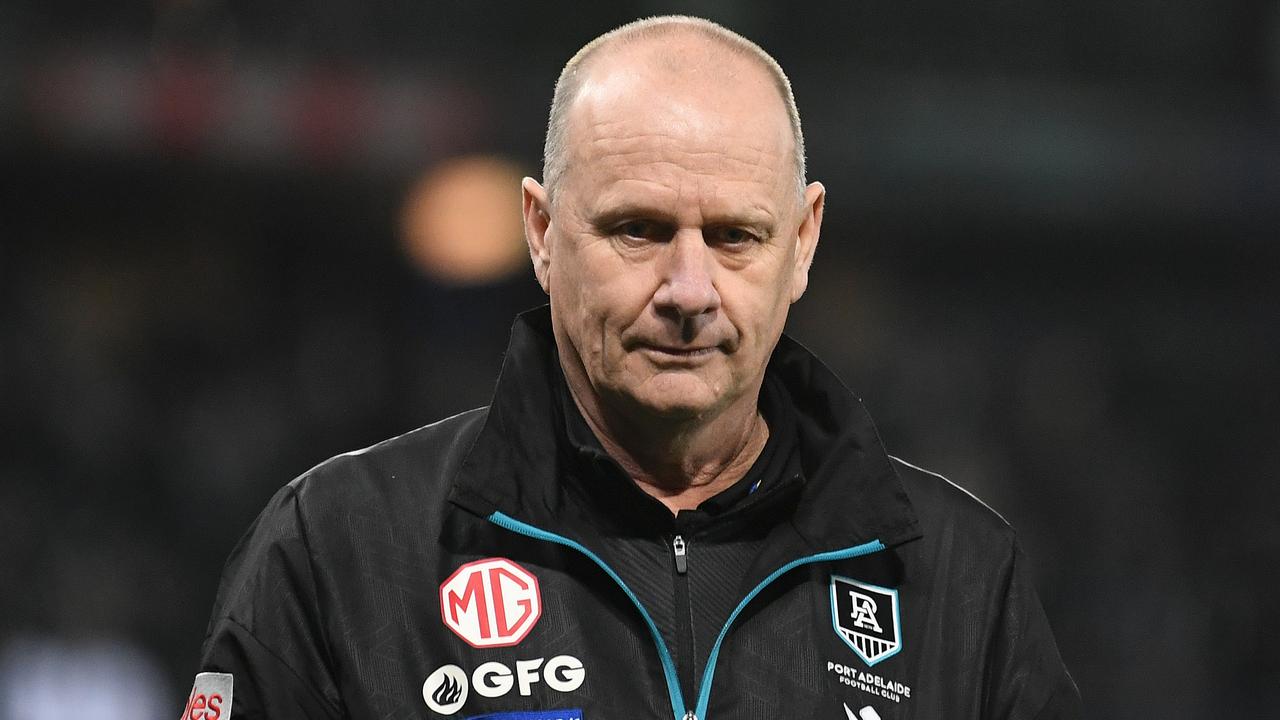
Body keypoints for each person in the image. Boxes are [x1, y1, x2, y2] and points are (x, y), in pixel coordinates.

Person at [184, 15, 1082, 720]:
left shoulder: (961, 579)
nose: (689, 288)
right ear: (540, 231)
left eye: (735, 237)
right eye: (638, 230)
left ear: (803, 243)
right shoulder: (338, 548)